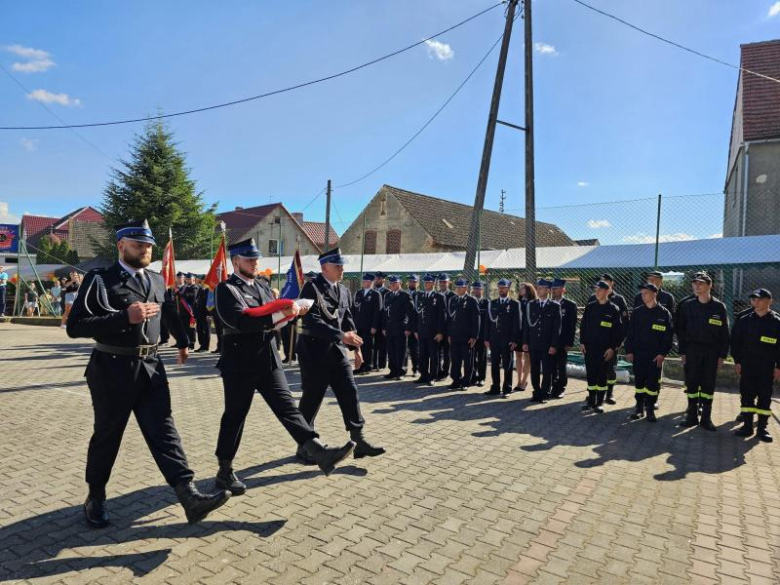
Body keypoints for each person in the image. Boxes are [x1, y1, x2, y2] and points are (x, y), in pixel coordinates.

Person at [67, 219, 231, 528]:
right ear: (121, 245)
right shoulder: (100, 280)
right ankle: (96, 497)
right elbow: (75, 327)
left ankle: (189, 496)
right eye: (138, 244)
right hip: (112, 368)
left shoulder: (156, 280)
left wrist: (183, 342)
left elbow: (167, 312)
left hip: (152, 367)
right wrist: (123, 317)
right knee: (108, 435)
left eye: (148, 246)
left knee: (164, 432)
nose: (145, 250)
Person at [214, 239, 355, 492]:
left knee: (289, 409)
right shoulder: (226, 289)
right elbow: (240, 322)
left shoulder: (264, 288)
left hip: (268, 359)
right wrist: (281, 314)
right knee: (235, 416)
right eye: (249, 259)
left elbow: (275, 323)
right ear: (236, 262)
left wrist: (294, 314)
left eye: (256, 259)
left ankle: (318, 451)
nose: (255, 263)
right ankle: (224, 470)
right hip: (240, 363)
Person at [296, 247, 385, 461]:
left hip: (337, 352)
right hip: (314, 352)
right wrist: (342, 337)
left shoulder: (344, 290)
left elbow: (348, 322)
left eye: (342, 265)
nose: (342, 268)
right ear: (324, 267)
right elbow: (312, 321)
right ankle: (304, 445)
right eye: (337, 265)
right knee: (312, 398)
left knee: (349, 392)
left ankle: (359, 439)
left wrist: (357, 350)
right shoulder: (311, 288)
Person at [675, 272, 729, 431]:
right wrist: (682, 351)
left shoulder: (719, 307)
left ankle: (706, 418)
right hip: (692, 351)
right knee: (691, 383)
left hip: (711, 352)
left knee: (708, 385)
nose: (697, 286)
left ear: (709, 285)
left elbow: (724, 333)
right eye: (695, 283)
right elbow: (681, 331)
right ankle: (691, 416)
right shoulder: (687, 306)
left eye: (701, 283)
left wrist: (722, 355)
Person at [731, 288, 780, 442]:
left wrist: (778, 366)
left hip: (767, 367)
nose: (755, 302)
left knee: (765, 397)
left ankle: (762, 428)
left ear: (769, 301)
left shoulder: (776, 322)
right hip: (747, 365)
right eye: (753, 299)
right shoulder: (744, 320)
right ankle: (746, 426)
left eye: (759, 299)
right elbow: (735, 342)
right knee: (747, 395)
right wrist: (737, 361)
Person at [624, 283, 673, 422]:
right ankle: (639, 408)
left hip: (655, 357)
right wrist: (629, 351)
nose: (642, 295)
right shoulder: (637, 312)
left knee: (652, 384)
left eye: (645, 293)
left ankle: (650, 410)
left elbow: (667, 337)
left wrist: (662, 354)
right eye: (642, 293)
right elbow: (630, 333)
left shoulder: (664, 313)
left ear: (654, 294)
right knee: (639, 383)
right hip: (639, 354)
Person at [580, 281, 625, 413]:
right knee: (591, 375)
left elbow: (619, 332)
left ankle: (599, 403)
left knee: (602, 376)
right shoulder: (590, 307)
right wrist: (582, 342)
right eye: (596, 289)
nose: (597, 292)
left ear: (607, 291)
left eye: (599, 290)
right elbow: (583, 326)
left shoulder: (613, 309)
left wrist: (612, 348)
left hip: (605, 350)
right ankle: (591, 401)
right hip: (589, 348)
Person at [587, 274, 628, 405]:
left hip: (610, 343)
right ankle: (593, 397)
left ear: (611, 283)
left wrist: (618, 343)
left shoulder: (619, 300)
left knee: (609, 370)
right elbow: (586, 324)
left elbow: (624, 323)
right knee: (594, 371)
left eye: (604, 281)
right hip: (594, 345)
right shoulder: (593, 299)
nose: (601, 284)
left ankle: (609, 393)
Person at [523, 279, 561, 403]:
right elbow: (526, 325)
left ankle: (545, 393)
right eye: (538, 287)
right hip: (533, 343)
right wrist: (525, 342)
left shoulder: (555, 306)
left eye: (542, 287)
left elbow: (557, 328)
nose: (539, 290)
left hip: (547, 344)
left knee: (547, 370)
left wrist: (554, 345)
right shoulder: (531, 304)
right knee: (534, 369)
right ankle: (536, 392)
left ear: (548, 290)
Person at [484, 279, 520, 397]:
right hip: (494, 339)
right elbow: (487, 323)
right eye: (499, 287)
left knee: (507, 365)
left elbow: (517, 324)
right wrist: (486, 338)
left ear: (508, 288)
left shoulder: (515, 304)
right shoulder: (492, 303)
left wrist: (515, 340)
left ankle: (507, 388)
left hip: (507, 340)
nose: (501, 290)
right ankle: (495, 387)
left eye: (503, 287)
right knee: (494, 365)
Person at [447, 278, 480, 391]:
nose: (458, 289)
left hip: (467, 337)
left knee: (467, 361)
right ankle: (456, 380)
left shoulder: (472, 300)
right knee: (455, 359)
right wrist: (449, 334)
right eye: (457, 287)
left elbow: (476, 319)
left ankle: (466, 381)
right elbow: (451, 319)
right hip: (455, 335)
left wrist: (474, 336)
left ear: (466, 288)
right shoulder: (454, 299)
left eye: (460, 287)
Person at [414, 274, 447, 387]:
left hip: (433, 332)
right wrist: (416, 330)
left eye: (428, 282)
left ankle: (433, 376)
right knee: (422, 355)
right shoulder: (420, 296)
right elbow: (417, 314)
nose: (426, 284)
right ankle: (423, 375)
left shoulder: (439, 297)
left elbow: (442, 316)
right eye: (425, 282)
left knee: (434, 355)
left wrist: (440, 332)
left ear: (433, 283)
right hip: (422, 331)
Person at [382, 275, 415, 380]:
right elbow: (385, 312)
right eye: (391, 283)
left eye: (394, 283)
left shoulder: (405, 295)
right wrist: (383, 326)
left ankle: (401, 371)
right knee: (391, 350)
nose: (392, 285)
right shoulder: (388, 295)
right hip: (390, 327)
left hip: (401, 327)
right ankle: (393, 370)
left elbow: (411, 313)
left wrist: (408, 328)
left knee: (401, 350)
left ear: (400, 283)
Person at [550, 279, 578, 399]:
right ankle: (553, 386)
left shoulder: (570, 305)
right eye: (553, 289)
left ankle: (561, 387)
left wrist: (569, 342)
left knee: (561, 366)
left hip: (562, 342)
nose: (554, 291)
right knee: (550, 366)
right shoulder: (549, 303)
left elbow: (572, 326)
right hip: (550, 341)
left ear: (563, 289)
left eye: (556, 288)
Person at [353, 273, 382, 374]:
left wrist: (374, 326)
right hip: (358, 325)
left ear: (371, 282)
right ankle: (359, 366)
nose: (365, 283)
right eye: (364, 281)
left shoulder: (375, 294)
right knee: (358, 346)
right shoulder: (358, 293)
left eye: (367, 281)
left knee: (368, 346)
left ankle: (368, 366)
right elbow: (354, 309)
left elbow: (377, 311)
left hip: (369, 326)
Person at [513, 282, 536, 392]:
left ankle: (524, 381)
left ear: (528, 290)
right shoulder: (517, 302)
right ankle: (519, 380)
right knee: (518, 356)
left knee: (527, 357)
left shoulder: (533, 303)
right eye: (520, 288)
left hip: (529, 334)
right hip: (518, 333)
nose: (520, 290)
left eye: (523, 288)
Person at [470, 281, 489, 388]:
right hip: (471, 334)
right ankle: (472, 376)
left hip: (482, 335)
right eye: (475, 289)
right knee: (471, 357)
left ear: (482, 290)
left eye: (479, 289)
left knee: (482, 357)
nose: (476, 291)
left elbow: (488, 321)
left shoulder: (486, 303)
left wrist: (487, 336)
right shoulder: (469, 301)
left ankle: (481, 377)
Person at [437, 274, 456, 381]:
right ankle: (438, 371)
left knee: (447, 352)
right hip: (437, 329)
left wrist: (450, 332)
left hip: (448, 329)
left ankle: (445, 372)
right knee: (437, 352)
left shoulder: (453, 296)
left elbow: (452, 316)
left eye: (445, 282)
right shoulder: (436, 295)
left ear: (449, 283)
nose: (443, 284)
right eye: (441, 282)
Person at [371, 272, 389, 371]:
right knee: (374, 345)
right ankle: (373, 364)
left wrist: (384, 326)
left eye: (379, 279)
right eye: (376, 279)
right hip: (373, 322)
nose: (376, 280)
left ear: (383, 280)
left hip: (382, 322)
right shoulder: (372, 292)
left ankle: (381, 365)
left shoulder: (387, 292)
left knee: (382, 345)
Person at [405, 275, 421, 376]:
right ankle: (403, 369)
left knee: (415, 350)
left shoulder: (420, 294)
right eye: (410, 281)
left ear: (418, 283)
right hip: (404, 327)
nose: (412, 283)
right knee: (404, 350)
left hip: (415, 327)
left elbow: (417, 313)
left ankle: (416, 369)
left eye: (414, 282)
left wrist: (414, 328)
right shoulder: (404, 294)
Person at [194, 276, 211, 352]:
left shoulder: (209, 290)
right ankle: (202, 345)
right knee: (200, 330)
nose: (201, 282)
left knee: (206, 330)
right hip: (199, 313)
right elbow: (197, 301)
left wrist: (209, 314)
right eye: (201, 280)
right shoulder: (200, 289)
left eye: (203, 280)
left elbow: (210, 303)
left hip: (205, 314)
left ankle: (205, 346)